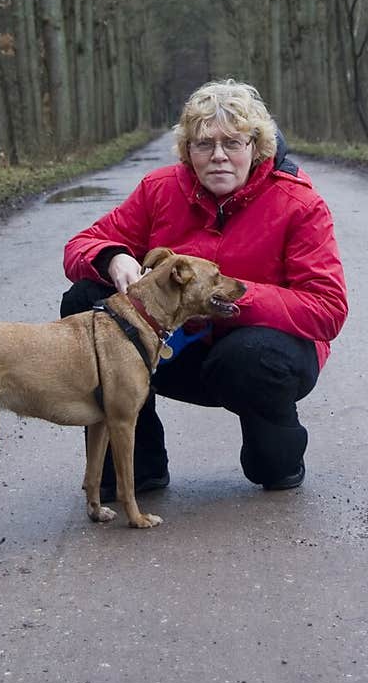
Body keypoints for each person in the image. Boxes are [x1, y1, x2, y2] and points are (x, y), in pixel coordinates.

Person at [59, 78, 348, 497]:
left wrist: (225, 297)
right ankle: (136, 465)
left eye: (232, 143)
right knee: (86, 299)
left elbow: (327, 308)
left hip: (253, 357)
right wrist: (113, 257)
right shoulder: (160, 189)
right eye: (203, 144)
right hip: (171, 350)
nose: (218, 157)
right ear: (187, 151)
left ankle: (278, 455)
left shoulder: (299, 204)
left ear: (256, 146)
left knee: (250, 359)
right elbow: (80, 245)